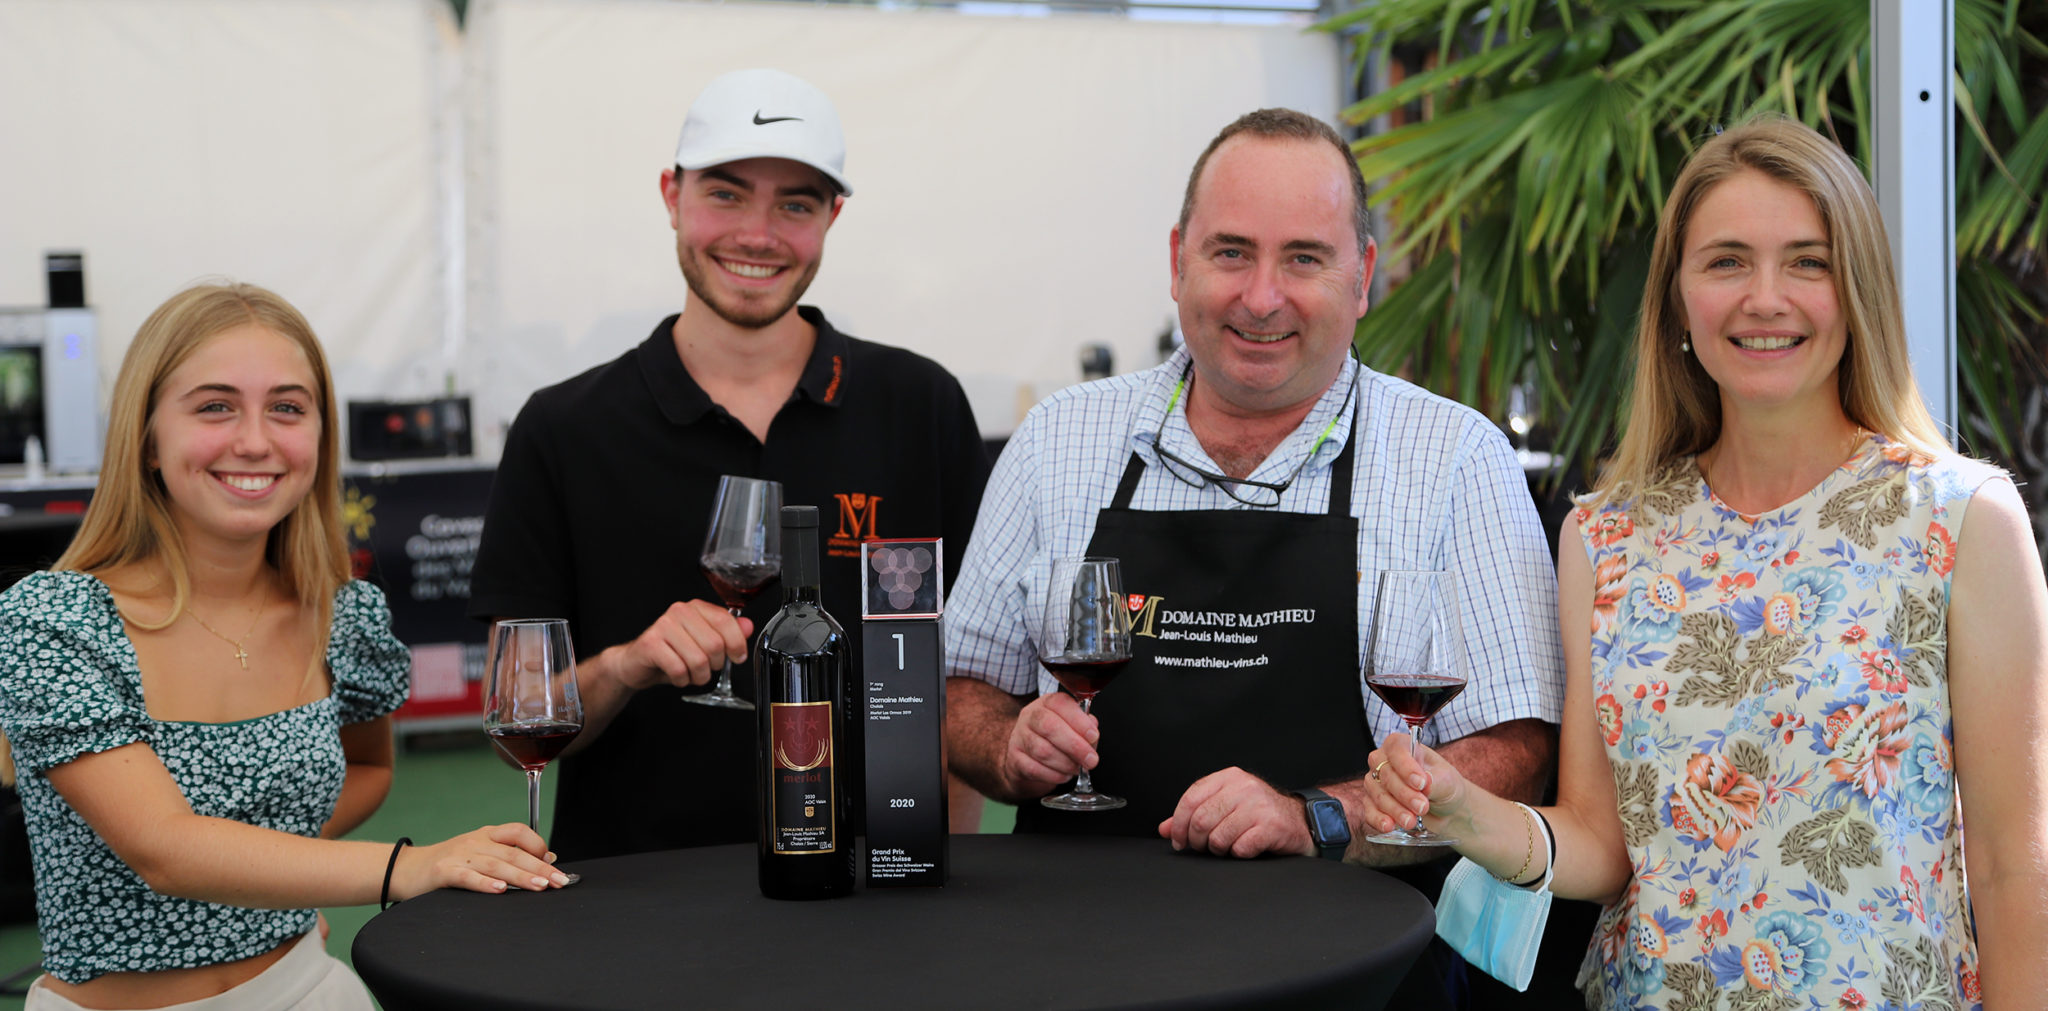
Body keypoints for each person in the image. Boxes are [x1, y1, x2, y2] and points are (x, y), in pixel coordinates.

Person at [1361, 116, 2048, 1010]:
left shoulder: (1963, 520)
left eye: (1807, 261)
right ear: (1678, 301)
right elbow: (1604, 845)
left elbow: (2011, 865)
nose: (1765, 297)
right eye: (1727, 261)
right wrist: (1465, 810)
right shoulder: (1605, 536)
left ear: (1858, 291)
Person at [943, 107, 1563, 1000]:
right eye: (1231, 252)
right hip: (1078, 962)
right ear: (1177, 261)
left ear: (1362, 277)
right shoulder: (1058, 441)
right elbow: (963, 691)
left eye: (1304, 258)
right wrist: (1009, 747)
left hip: (1359, 969)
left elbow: (1515, 749)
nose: (1262, 296)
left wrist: (1317, 816)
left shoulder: (1456, 459)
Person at [468, 68, 991, 861]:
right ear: (671, 195)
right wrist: (626, 664)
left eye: (795, 205)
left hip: (870, 896)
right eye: (726, 194)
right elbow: (517, 725)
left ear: (832, 217)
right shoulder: (562, 427)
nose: (758, 234)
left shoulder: (921, 405)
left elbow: (963, 681)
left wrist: (938, 867)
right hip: (634, 899)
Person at [0, 282, 567, 1011]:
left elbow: (368, 769)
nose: (256, 440)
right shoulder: (55, 619)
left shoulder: (342, 613)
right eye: (215, 406)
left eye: (288, 408)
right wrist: (409, 866)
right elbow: (164, 849)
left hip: (312, 988)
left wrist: (268, 869)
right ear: (145, 436)